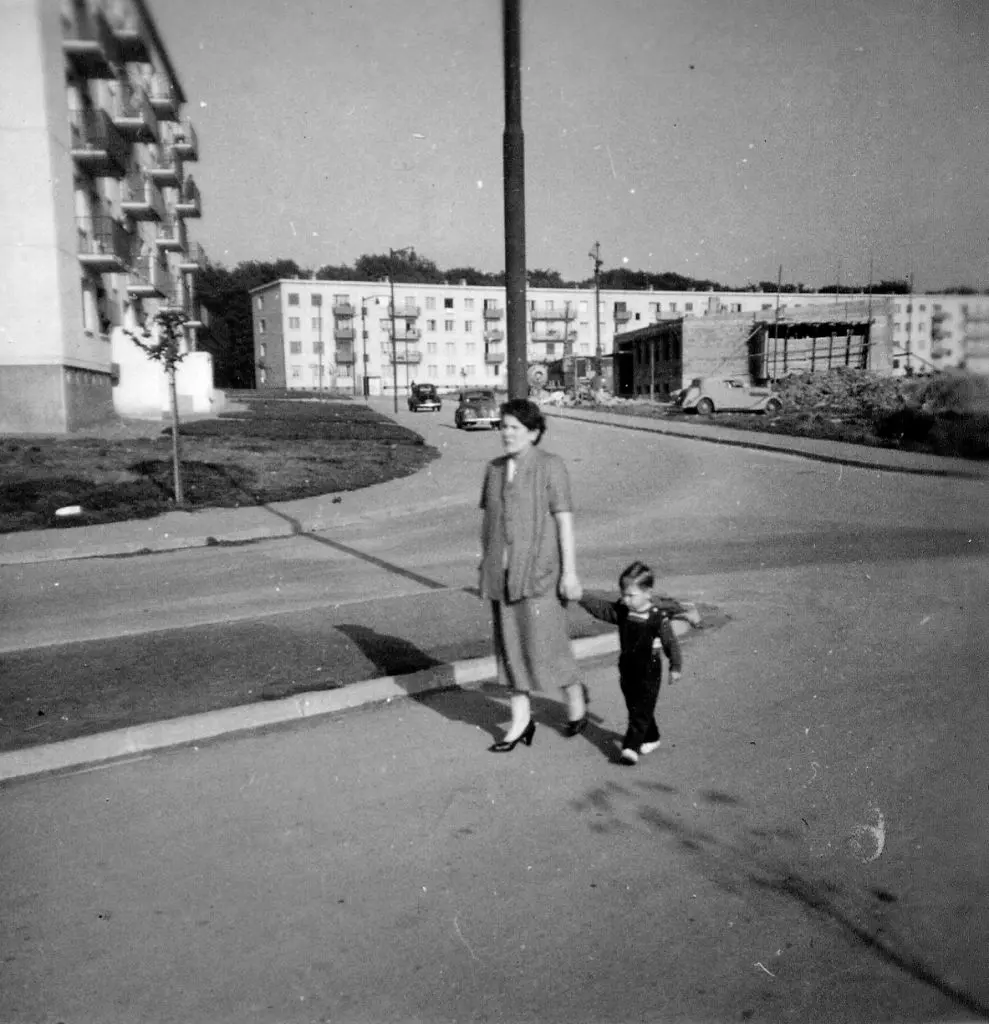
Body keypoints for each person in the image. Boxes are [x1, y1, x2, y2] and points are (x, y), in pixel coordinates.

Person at [478, 398, 587, 752]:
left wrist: (569, 573)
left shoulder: (550, 466)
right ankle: (521, 721)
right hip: (503, 575)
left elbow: (564, 521)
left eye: (515, 428)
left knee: (549, 644)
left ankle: (574, 699)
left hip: (540, 574)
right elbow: (490, 523)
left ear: (534, 432)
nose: (507, 434)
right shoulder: (493, 469)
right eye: (504, 426)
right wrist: (486, 563)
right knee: (510, 649)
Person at [576, 561, 692, 765]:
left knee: (640, 710)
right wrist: (582, 597)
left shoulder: (657, 618)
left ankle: (630, 747)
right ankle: (652, 736)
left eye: (631, 595)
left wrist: (675, 666)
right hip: (627, 668)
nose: (625, 599)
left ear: (648, 593)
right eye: (623, 594)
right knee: (636, 707)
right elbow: (602, 609)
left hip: (649, 671)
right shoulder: (623, 611)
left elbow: (670, 643)